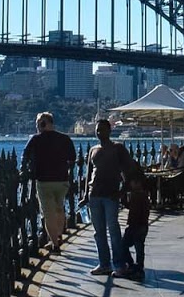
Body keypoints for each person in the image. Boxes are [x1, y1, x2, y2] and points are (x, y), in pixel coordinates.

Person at [22, 111, 77, 252]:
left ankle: (55, 243)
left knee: (48, 214)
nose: (37, 126)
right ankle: (57, 235)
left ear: (43, 124)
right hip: (62, 180)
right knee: (59, 208)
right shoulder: (65, 139)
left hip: (44, 181)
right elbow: (72, 158)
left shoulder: (35, 139)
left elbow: (25, 155)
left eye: (39, 123)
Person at [84, 118, 131, 277]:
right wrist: (85, 195)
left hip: (110, 195)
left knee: (113, 229)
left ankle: (119, 264)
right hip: (94, 195)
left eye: (102, 129)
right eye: (97, 130)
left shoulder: (118, 148)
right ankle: (104, 264)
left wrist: (122, 191)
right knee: (99, 232)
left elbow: (128, 171)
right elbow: (89, 174)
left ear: (109, 131)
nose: (99, 133)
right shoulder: (93, 149)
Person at [119, 169, 150, 281]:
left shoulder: (137, 196)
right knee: (138, 248)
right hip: (140, 225)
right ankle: (136, 267)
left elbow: (133, 209)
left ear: (137, 183)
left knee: (129, 246)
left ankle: (135, 267)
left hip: (136, 225)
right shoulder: (142, 195)